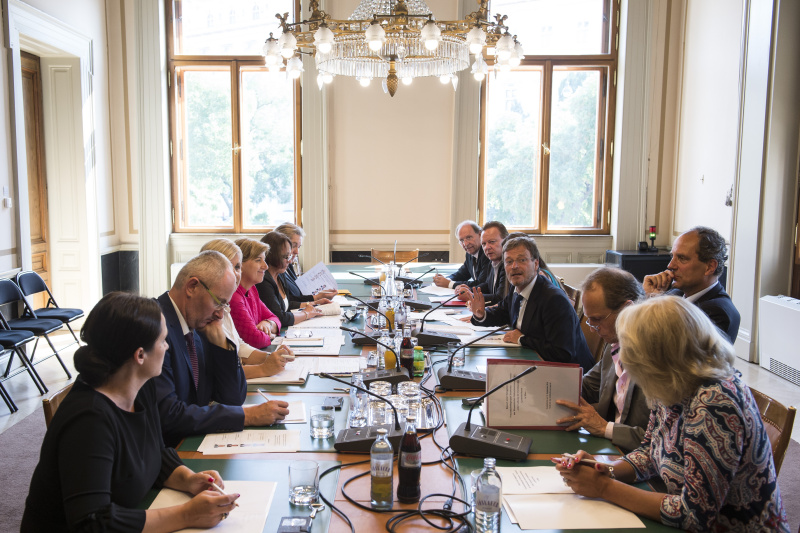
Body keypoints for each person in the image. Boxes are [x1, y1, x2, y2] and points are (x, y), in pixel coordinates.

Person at [556, 297, 788, 532]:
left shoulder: (715, 402)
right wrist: (606, 468)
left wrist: (604, 487)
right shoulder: (671, 383)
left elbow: (694, 515)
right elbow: (650, 452)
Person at [22, 292, 239, 531]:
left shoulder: (141, 388)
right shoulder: (89, 419)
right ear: (140, 355)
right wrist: (187, 515)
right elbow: (91, 523)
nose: (168, 347)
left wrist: (187, 478)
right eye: (163, 340)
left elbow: (153, 451)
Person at [155, 251, 289, 447]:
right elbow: (169, 414)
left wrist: (223, 343)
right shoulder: (155, 327)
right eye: (218, 302)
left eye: (224, 306)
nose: (220, 315)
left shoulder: (202, 324)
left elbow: (233, 397)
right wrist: (247, 416)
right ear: (192, 287)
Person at [555, 267, 650, 452]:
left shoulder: (658, 360)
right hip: (611, 450)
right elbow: (588, 386)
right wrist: (545, 387)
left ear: (627, 309)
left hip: (638, 463)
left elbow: (662, 442)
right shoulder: (614, 343)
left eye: (597, 319)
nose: (592, 329)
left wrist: (605, 428)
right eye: (590, 320)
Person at [471, 235, 594, 372]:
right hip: (535, 364)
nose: (514, 266)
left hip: (567, 375)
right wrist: (481, 314)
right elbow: (504, 311)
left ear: (536, 264)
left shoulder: (553, 299)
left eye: (522, 260)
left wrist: (522, 339)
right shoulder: (516, 287)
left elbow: (562, 353)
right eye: (509, 261)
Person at [200, 238, 293, 379]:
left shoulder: (225, 303)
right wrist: (264, 368)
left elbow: (240, 345)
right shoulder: (226, 302)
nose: (238, 273)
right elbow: (252, 340)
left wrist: (271, 357)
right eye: (236, 267)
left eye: (238, 268)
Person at [643, 226, 740, 343]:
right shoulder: (676, 293)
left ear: (710, 267)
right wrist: (652, 297)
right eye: (672, 256)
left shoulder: (717, 312)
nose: (670, 265)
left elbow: (667, 349)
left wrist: (653, 303)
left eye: (682, 258)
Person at [257, 231, 324, 327]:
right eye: (285, 257)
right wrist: (306, 314)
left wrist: (314, 302)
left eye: (289, 256)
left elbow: (287, 304)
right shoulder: (263, 282)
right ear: (273, 256)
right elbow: (279, 317)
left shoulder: (280, 274)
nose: (289, 260)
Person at [229, 238, 281, 349]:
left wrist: (268, 323)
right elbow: (256, 340)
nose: (265, 266)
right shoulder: (234, 297)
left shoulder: (251, 289)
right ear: (240, 263)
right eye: (258, 260)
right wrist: (270, 335)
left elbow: (275, 318)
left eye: (264, 260)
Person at [273, 222, 337, 304]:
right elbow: (286, 302)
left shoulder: (289, 266)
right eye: (293, 246)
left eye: (299, 247)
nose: (297, 252)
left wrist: (318, 296)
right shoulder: (276, 270)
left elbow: (297, 294)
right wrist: (316, 298)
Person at [457, 221, 508, 305]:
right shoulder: (493, 261)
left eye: (492, 242)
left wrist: (471, 296)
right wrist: (469, 290)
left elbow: (500, 298)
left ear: (506, 240)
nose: (487, 247)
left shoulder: (508, 265)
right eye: (484, 244)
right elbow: (487, 285)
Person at [432, 220, 490, 289]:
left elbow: (481, 283)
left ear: (480, 235)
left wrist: (449, 284)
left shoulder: (487, 254)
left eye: (469, 237)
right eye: (461, 240)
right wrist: (446, 279)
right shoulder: (470, 253)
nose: (465, 244)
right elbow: (462, 274)